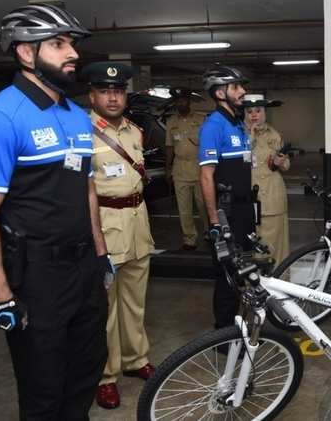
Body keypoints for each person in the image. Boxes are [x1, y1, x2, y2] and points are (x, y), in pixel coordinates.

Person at [0, 4, 113, 420]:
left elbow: (85, 186)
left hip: (84, 269)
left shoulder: (76, 115)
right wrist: (0, 298)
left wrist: (100, 255)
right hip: (36, 279)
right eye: (58, 44)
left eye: (72, 45)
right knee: (43, 392)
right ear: (26, 53)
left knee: (85, 373)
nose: (73, 54)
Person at [81, 61, 156, 409]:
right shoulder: (82, 131)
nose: (112, 98)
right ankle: (106, 376)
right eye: (105, 91)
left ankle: (136, 359)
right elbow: (81, 189)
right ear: (92, 94)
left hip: (138, 225)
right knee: (104, 311)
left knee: (135, 303)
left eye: (118, 91)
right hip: (106, 229)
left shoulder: (134, 131)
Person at [198, 65, 255, 330]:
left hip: (244, 213)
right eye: (236, 87)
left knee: (243, 269)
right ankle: (224, 333)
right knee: (227, 275)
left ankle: (238, 323)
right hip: (226, 214)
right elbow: (206, 176)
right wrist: (214, 222)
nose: (243, 91)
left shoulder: (238, 123)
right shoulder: (214, 126)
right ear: (220, 93)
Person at [242, 94, 290, 267]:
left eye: (258, 110)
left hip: (273, 196)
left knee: (277, 245)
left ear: (264, 112)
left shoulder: (275, 134)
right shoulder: (239, 134)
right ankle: (255, 285)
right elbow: (239, 161)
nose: (254, 115)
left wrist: (281, 161)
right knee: (254, 245)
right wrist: (250, 138)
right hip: (251, 196)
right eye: (249, 111)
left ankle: (280, 282)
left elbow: (287, 164)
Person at [165, 86, 209, 251]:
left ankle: (208, 232)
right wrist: (167, 169)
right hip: (180, 169)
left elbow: (208, 145)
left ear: (189, 101)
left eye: (183, 99)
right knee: (184, 209)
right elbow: (169, 147)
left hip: (199, 168)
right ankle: (189, 239)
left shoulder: (202, 120)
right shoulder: (171, 122)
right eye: (177, 100)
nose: (180, 103)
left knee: (204, 204)